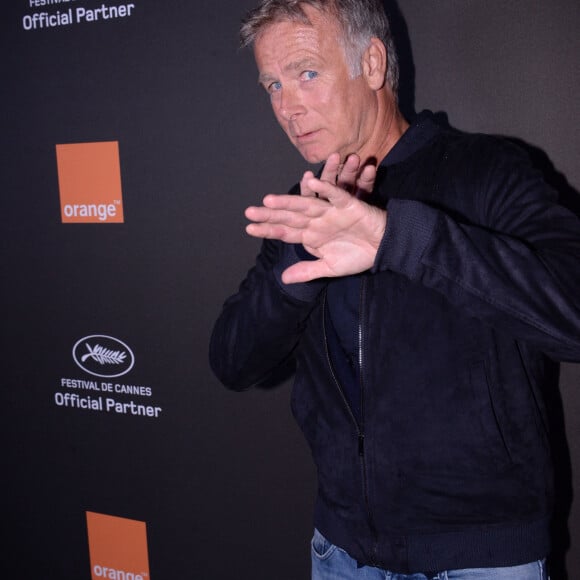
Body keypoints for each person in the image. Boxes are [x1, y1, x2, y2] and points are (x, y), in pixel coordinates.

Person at [209, 0, 580, 578]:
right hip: (341, 553)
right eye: (273, 84)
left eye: (307, 73)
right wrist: (298, 272)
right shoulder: (303, 209)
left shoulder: (489, 172)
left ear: (374, 64)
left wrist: (397, 239)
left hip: (481, 561)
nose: (287, 105)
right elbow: (232, 361)